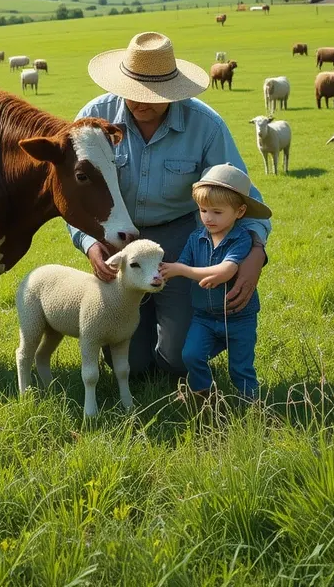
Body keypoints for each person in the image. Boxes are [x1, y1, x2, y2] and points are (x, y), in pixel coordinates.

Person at [67, 31, 271, 377]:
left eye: (153, 95)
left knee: (177, 359)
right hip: (118, 241)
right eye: (133, 94)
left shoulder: (205, 126)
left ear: (174, 90)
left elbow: (243, 198)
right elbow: (72, 195)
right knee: (131, 363)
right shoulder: (93, 119)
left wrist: (256, 254)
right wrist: (89, 243)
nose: (141, 103)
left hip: (180, 244)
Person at [159, 164, 272, 399]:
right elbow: (181, 264)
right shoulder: (195, 239)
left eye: (217, 212)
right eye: (203, 210)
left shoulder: (241, 239)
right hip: (204, 317)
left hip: (239, 318)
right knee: (191, 355)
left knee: (240, 369)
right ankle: (204, 396)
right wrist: (167, 271)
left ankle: (252, 407)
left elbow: (225, 271)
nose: (208, 218)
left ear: (239, 212)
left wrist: (181, 269)